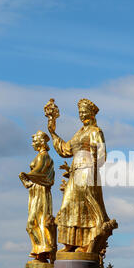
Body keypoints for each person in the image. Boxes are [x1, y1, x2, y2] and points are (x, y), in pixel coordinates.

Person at [47, 98, 116, 254]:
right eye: (80, 112)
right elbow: (65, 150)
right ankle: (71, 243)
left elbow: (102, 154)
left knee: (86, 208)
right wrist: (52, 132)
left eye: (84, 112)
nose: (81, 115)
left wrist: (92, 165)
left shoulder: (95, 131)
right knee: (69, 205)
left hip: (87, 171)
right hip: (75, 172)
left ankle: (85, 243)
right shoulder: (79, 133)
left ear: (91, 114)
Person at [19, 131, 56, 263]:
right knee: (35, 221)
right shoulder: (42, 156)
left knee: (35, 221)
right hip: (35, 191)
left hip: (40, 190)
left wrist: (27, 175)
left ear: (41, 142)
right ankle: (39, 250)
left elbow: (40, 173)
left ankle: (43, 249)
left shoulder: (43, 156)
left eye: (34, 141)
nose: (33, 144)